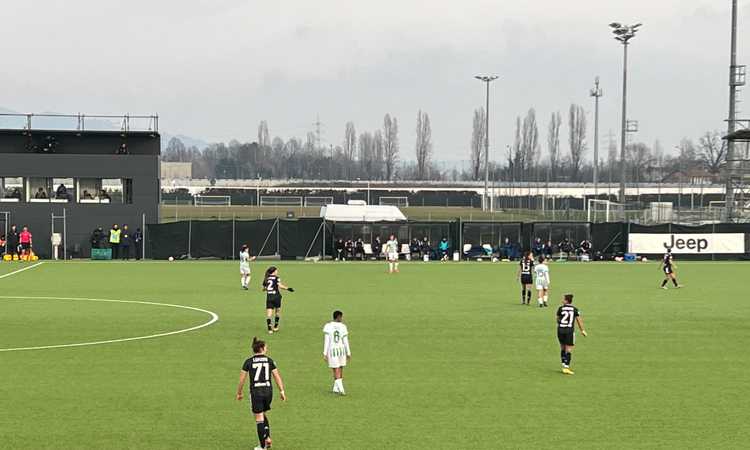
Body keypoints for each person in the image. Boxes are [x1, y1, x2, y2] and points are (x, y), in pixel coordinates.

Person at [236, 337, 286, 450]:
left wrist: (239, 392)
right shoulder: (269, 360)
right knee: (263, 414)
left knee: (258, 417)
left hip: (256, 392)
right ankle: (267, 438)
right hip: (269, 392)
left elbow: (242, 379)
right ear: (262, 349)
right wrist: (282, 391)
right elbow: (277, 376)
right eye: (266, 347)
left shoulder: (248, 362)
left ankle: (262, 446)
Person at [556, 293, 587, 375]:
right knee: (568, 349)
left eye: (563, 299)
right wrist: (582, 330)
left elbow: (557, 319)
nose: (562, 300)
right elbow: (579, 320)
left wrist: (561, 324)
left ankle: (563, 364)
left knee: (562, 347)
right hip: (569, 331)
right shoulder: (575, 309)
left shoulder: (560, 309)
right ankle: (566, 367)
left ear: (566, 300)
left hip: (560, 330)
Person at [323, 310, 351, 395]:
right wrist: (348, 352)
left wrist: (325, 353)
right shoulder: (343, 326)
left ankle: (340, 389)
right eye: (341, 317)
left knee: (336, 369)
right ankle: (336, 388)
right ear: (338, 317)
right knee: (340, 368)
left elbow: (327, 340)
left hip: (333, 350)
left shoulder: (328, 326)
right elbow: (345, 340)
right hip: (341, 350)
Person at [262, 266, 294, 334]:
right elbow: (280, 286)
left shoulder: (266, 278)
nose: (277, 272)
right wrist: (288, 288)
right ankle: (276, 327)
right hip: (276, 296)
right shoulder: (277, 278)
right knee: (277, 311)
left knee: (269, 314)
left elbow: (264, 288)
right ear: (274, 271)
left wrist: (266, 289)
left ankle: (269, 329)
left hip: (269, 297)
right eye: (276, 271)